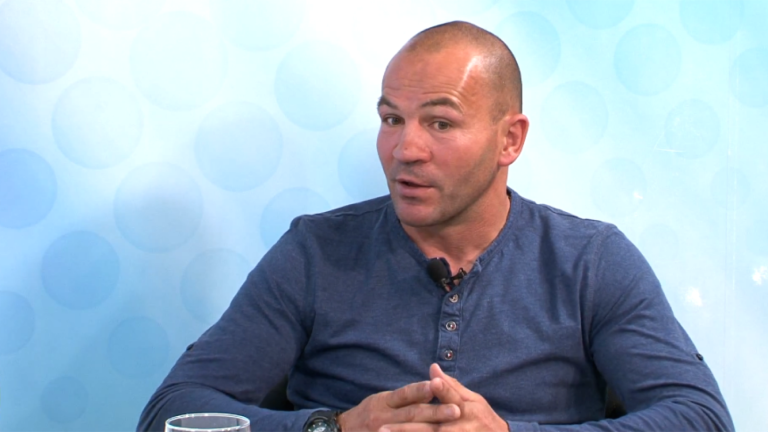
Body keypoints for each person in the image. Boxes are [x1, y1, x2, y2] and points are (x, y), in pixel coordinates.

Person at [137, 21, 734, 432]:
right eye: (392, 119)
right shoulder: (314, 253)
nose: (405, 150)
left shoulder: (591, 261)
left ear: (510, 140)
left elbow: (700, 418)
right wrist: (333, 427)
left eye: (440, 124)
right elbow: (171, 413)